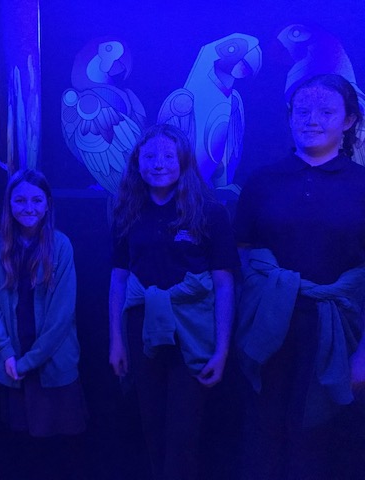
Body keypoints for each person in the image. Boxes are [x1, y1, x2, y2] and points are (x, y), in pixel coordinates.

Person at [234, 73, 365, 479]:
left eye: (326, 111)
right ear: (289, 117)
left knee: (323, 444)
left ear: (348, 120)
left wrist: (364, 355)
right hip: (268, 330)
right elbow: (243, 254)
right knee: (265, 436)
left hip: (341, 332)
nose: (312, 120)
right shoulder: (261, 182)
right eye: (302, 111)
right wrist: (259, 307)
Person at [109, 123, 238, 479]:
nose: (158, 163)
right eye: (150, 156)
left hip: (193, 331)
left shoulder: (210, 212)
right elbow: (118, 280)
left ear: (183, 160)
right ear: (137, 162)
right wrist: (117, 341)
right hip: (143, 331)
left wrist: (222, 350)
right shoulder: (127, 211)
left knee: (184, 434)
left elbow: (224, 285)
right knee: (152, 428)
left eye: (168, 155)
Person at [0, 169, 87, 477]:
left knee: (60, 452)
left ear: (48, 203)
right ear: (9, 204)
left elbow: (61, 317)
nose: (29, 207)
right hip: (13, 364)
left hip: (50, 365)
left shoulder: (61, 246)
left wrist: (28, 362)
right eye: (20, 200)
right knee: (23, 451)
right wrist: (7, 353)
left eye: (37, 200)